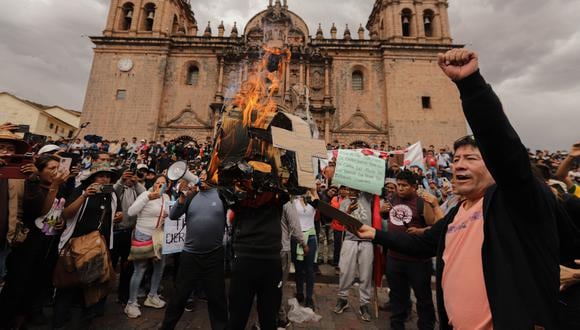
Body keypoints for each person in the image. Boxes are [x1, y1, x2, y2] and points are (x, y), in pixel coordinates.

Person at [357, 48, 561, 328]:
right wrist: (375, 233)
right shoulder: (457, 214)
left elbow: (505, 151)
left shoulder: (512, 204)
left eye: (471, 158)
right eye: (456, 159)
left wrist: (471, 85)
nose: (458, 166)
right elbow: (422, 243)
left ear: (494, 166)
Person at [0, 154, 68, 328]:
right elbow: (40, 210)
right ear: (39, 170)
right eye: (50, 168)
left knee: (35, 282)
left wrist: (60, 221)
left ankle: (25, 316)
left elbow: (56, 213)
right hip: (28, 244)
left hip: (46, 244)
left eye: (57, 168)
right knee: (17, 284)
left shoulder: (60, 188)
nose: (55, 172)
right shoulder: (33, 186)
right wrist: (54, 186)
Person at [53, 163, 123, 329]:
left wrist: (119, 216)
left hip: (97, 247)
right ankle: (59, 322)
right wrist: (84, 196)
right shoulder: (81, 190)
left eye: (108, 176)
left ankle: (84, 321)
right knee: (68, 285)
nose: (104, 178)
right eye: (100, 175)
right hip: (75, 245)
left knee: (91, 285)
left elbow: (116, 215)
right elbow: (66, 213)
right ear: (92, 178)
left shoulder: (111, 194)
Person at [161, 170, 228, 330]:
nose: (202, 178)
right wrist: (182, 197)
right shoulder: (191, 196)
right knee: (179, 297)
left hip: (214, 256)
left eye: (206, 175)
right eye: (201, 175)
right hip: (190, 256)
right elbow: (173, 215)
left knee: (217, 298)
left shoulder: (222, 196)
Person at [382, 170, 438, 330]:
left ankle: (426, 326)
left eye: (404, 185)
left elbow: (431, 223)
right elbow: (385, 216)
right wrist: (382, 211)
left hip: (418, 261)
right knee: (397, 298)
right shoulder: (392, 198)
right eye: (398, 185)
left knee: (424, 299)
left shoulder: (421, 202)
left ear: (414, 187)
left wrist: (421, 230)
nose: (400, 188)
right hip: (394, 258)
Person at [124, 175, 171, 318]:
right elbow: (131, 212)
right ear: (153, 184)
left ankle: (152, 296)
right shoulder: (145, 194)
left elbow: (169, 215)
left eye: (163, 183)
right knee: (140, 269)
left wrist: (166, 217)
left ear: (167, 186)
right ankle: (131, 303)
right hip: (143, 234)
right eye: (157, 183)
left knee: (159, 267)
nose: (160, 185)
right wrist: (147, 198)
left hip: (159, 237)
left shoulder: (167, 198)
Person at [333, 187, 375, 322]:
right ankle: (342, 299)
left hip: (367, 240)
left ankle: (364, 304)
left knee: (366, 273)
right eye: (348, 188)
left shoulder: (367, 197)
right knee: (345, 271)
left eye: (353, 188)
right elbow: (339, 222)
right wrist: (348, 211)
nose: (350, 191)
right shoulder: (344, 203)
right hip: (349, 239)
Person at [112, 169, 146, 304]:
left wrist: (136, 183)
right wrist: (121, 181)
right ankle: (101, 297)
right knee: (111, 264)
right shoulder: (119, 187)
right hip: (115, 232)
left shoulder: (135, 190)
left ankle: (123, 296)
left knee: (128, 267)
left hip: (129, 232)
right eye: (128, 176)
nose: (130, 178)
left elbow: (145, 195)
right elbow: (114, 192)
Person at [278, 198, 307, 328]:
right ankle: (280, 318)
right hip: (282, 249)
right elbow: (295, 225)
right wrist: (303, 243)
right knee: (279, 285)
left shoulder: (264, 198)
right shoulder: (286, 202)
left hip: (265, 248)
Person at [290, 193, 318, 310]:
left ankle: (309, 297)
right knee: (298, 267)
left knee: (310, 268)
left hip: (311, 236)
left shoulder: (313, 199)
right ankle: (300, 293)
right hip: (297, 236)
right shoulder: (293, 200)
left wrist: (312, 190)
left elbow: (318, 203)